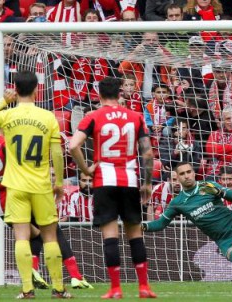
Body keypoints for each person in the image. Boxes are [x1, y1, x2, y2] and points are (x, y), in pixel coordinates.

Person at [0, 71, 70, 299]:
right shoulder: (48, 117)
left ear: (15, 89)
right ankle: (58, 288)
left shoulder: (8, 115)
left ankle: (27, 289)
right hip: (40, 185)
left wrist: (4, 102)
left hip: (15, 186)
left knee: (21, 237)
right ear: (37, 89)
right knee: (49, 236)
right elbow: (56, 152)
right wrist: (59, 182)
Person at [0, 127, 94, 290]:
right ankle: (71, 278)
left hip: (1, 202)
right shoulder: (6, 143)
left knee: (35, 235)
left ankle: (34, 275)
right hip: (21, 195)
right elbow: (23, 169)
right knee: (50, 231)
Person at [69, 76, 156, 299]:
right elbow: (147, 152)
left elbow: (73, 145)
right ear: (120, 93)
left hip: (104, 181)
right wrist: (146, 183)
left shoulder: (93, 116)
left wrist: (86, 170)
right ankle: (144, 287)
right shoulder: (135, 117)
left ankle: (115, 289)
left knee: (110, 236)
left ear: (98, 95)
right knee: (135, 234)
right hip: (129, 179)